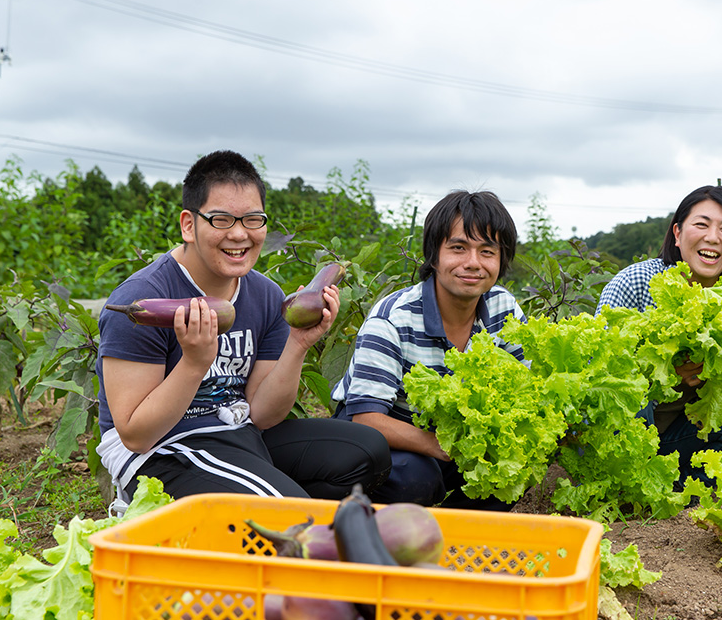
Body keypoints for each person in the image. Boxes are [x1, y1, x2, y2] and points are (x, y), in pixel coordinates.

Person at [96, 150, 390, 514]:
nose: (239, 234)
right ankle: (151, 508)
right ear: (189, 224)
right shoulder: (141, 301)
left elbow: (264, 414)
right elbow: (135, 435)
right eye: (221, 220)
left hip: (236, 431)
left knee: (366, 453)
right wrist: (194, 364)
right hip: (161, 450)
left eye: (253, 219)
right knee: (289, 511)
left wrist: (297, 345)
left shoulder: (264, 295)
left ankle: (255, 520)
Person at [332, 190, 525, 510]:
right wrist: (444, 446)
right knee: (415, 479)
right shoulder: (393, 317)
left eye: (487, 251)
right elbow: (367, 419)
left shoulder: (504, 307)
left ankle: (457, 536)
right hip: (380, 437)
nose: (473, 263)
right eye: (459, 248)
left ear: (501, 260)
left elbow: (525, 389)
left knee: (509, 470)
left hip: (451, 435)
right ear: (434, 255)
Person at [595, 184, 722, 484]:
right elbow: (598, 374)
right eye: (701, 225)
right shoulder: (638, 282)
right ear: (678, 234)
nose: (713, 237)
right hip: (627, 432)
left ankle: (678, 489)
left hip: (681, 434)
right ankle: (625, 482)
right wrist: (664, 376)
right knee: (622, 398)